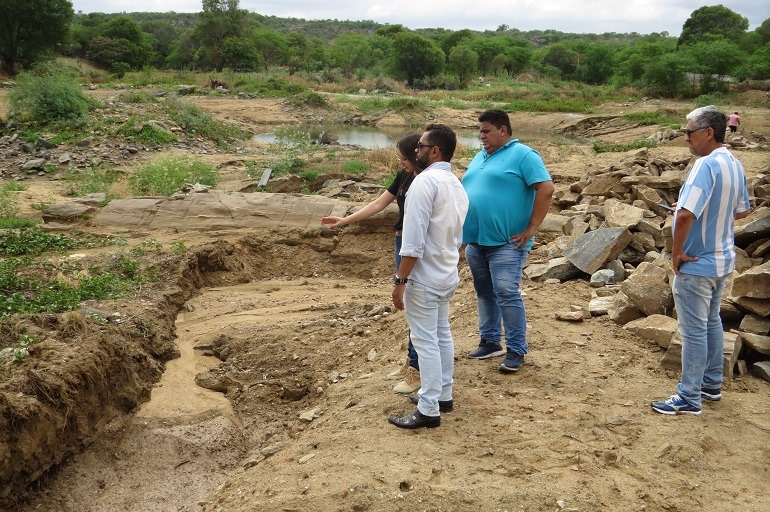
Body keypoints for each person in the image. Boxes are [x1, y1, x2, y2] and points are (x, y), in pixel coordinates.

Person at [651, 106, 750, 415]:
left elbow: (684, 216)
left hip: (697, 263)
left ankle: (689, 396)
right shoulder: (734, 163)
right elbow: (743, 210)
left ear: (708, 133)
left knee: (693, 330)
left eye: (689, 132)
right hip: (722, 260)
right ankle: (710, 385)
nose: (686, 139)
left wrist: (676, 253)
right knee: (711, 323)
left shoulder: (704, 165)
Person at [321, 133, 423, 394]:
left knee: (414, 303)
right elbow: (379, 202)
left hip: (414, 246)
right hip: (401, 242)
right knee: (410, 305)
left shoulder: (426, 181)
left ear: (416, 154)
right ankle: (413, 362)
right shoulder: (405, 176)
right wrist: (345, 220)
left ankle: (418, 369)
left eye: (402, 157)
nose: (399, 162)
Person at [387, 124, 469, 429]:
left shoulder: (424, 183)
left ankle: (429, 407)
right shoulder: (455, 183)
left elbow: (413, 243)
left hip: (424, 277)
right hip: (446, 272)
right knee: (441, 334)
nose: (415, 151)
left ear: (434, 151)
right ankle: (443, 394)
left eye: (420, 146)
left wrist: (400, 280)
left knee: (425, 342)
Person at [462, 109, 554, 373]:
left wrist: (532, 227)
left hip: (506, 243)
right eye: (480, 131)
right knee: (484, 293)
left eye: (486, 130)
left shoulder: (524, 154)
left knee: (507, 293)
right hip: (477, 242)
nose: (482, 136)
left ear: (503, 130)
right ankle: (490, 342)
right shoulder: (480, 156)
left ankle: (516, 349)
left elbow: (546, 188)